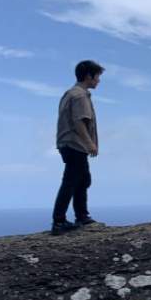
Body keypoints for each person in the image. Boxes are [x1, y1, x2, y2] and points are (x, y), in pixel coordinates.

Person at [52, 60, 104, 235]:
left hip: (68, 144)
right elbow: (79, 121)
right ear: (89, 76)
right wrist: (90, 144)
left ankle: (81, 215)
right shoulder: (80, 95)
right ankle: (60, 221)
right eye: (97, 76)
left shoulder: (70, 93)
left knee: (82, 180)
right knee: (71, 181)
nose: (98, 80)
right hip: (75, 144)